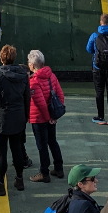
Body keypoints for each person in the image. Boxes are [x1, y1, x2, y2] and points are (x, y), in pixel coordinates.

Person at [0, 44, 30, 195]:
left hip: (2, 117)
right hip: (18, 116)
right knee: (17, 149)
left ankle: (0, 183)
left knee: (1, 152)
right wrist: (26, 116)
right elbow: (27, 98)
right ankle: (19, 179)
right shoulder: (24, 75)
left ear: (1, 58)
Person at [28, 49, 66, 183]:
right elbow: (60, 95)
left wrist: (47, 117)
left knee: (42, 145)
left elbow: (40, 104)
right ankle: (58, 168)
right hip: (51, 117)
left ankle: (44, 172)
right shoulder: (52, 76)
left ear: (32, 65)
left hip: (39, 118)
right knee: (52, 141)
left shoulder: (33, 81)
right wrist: (54, 116)